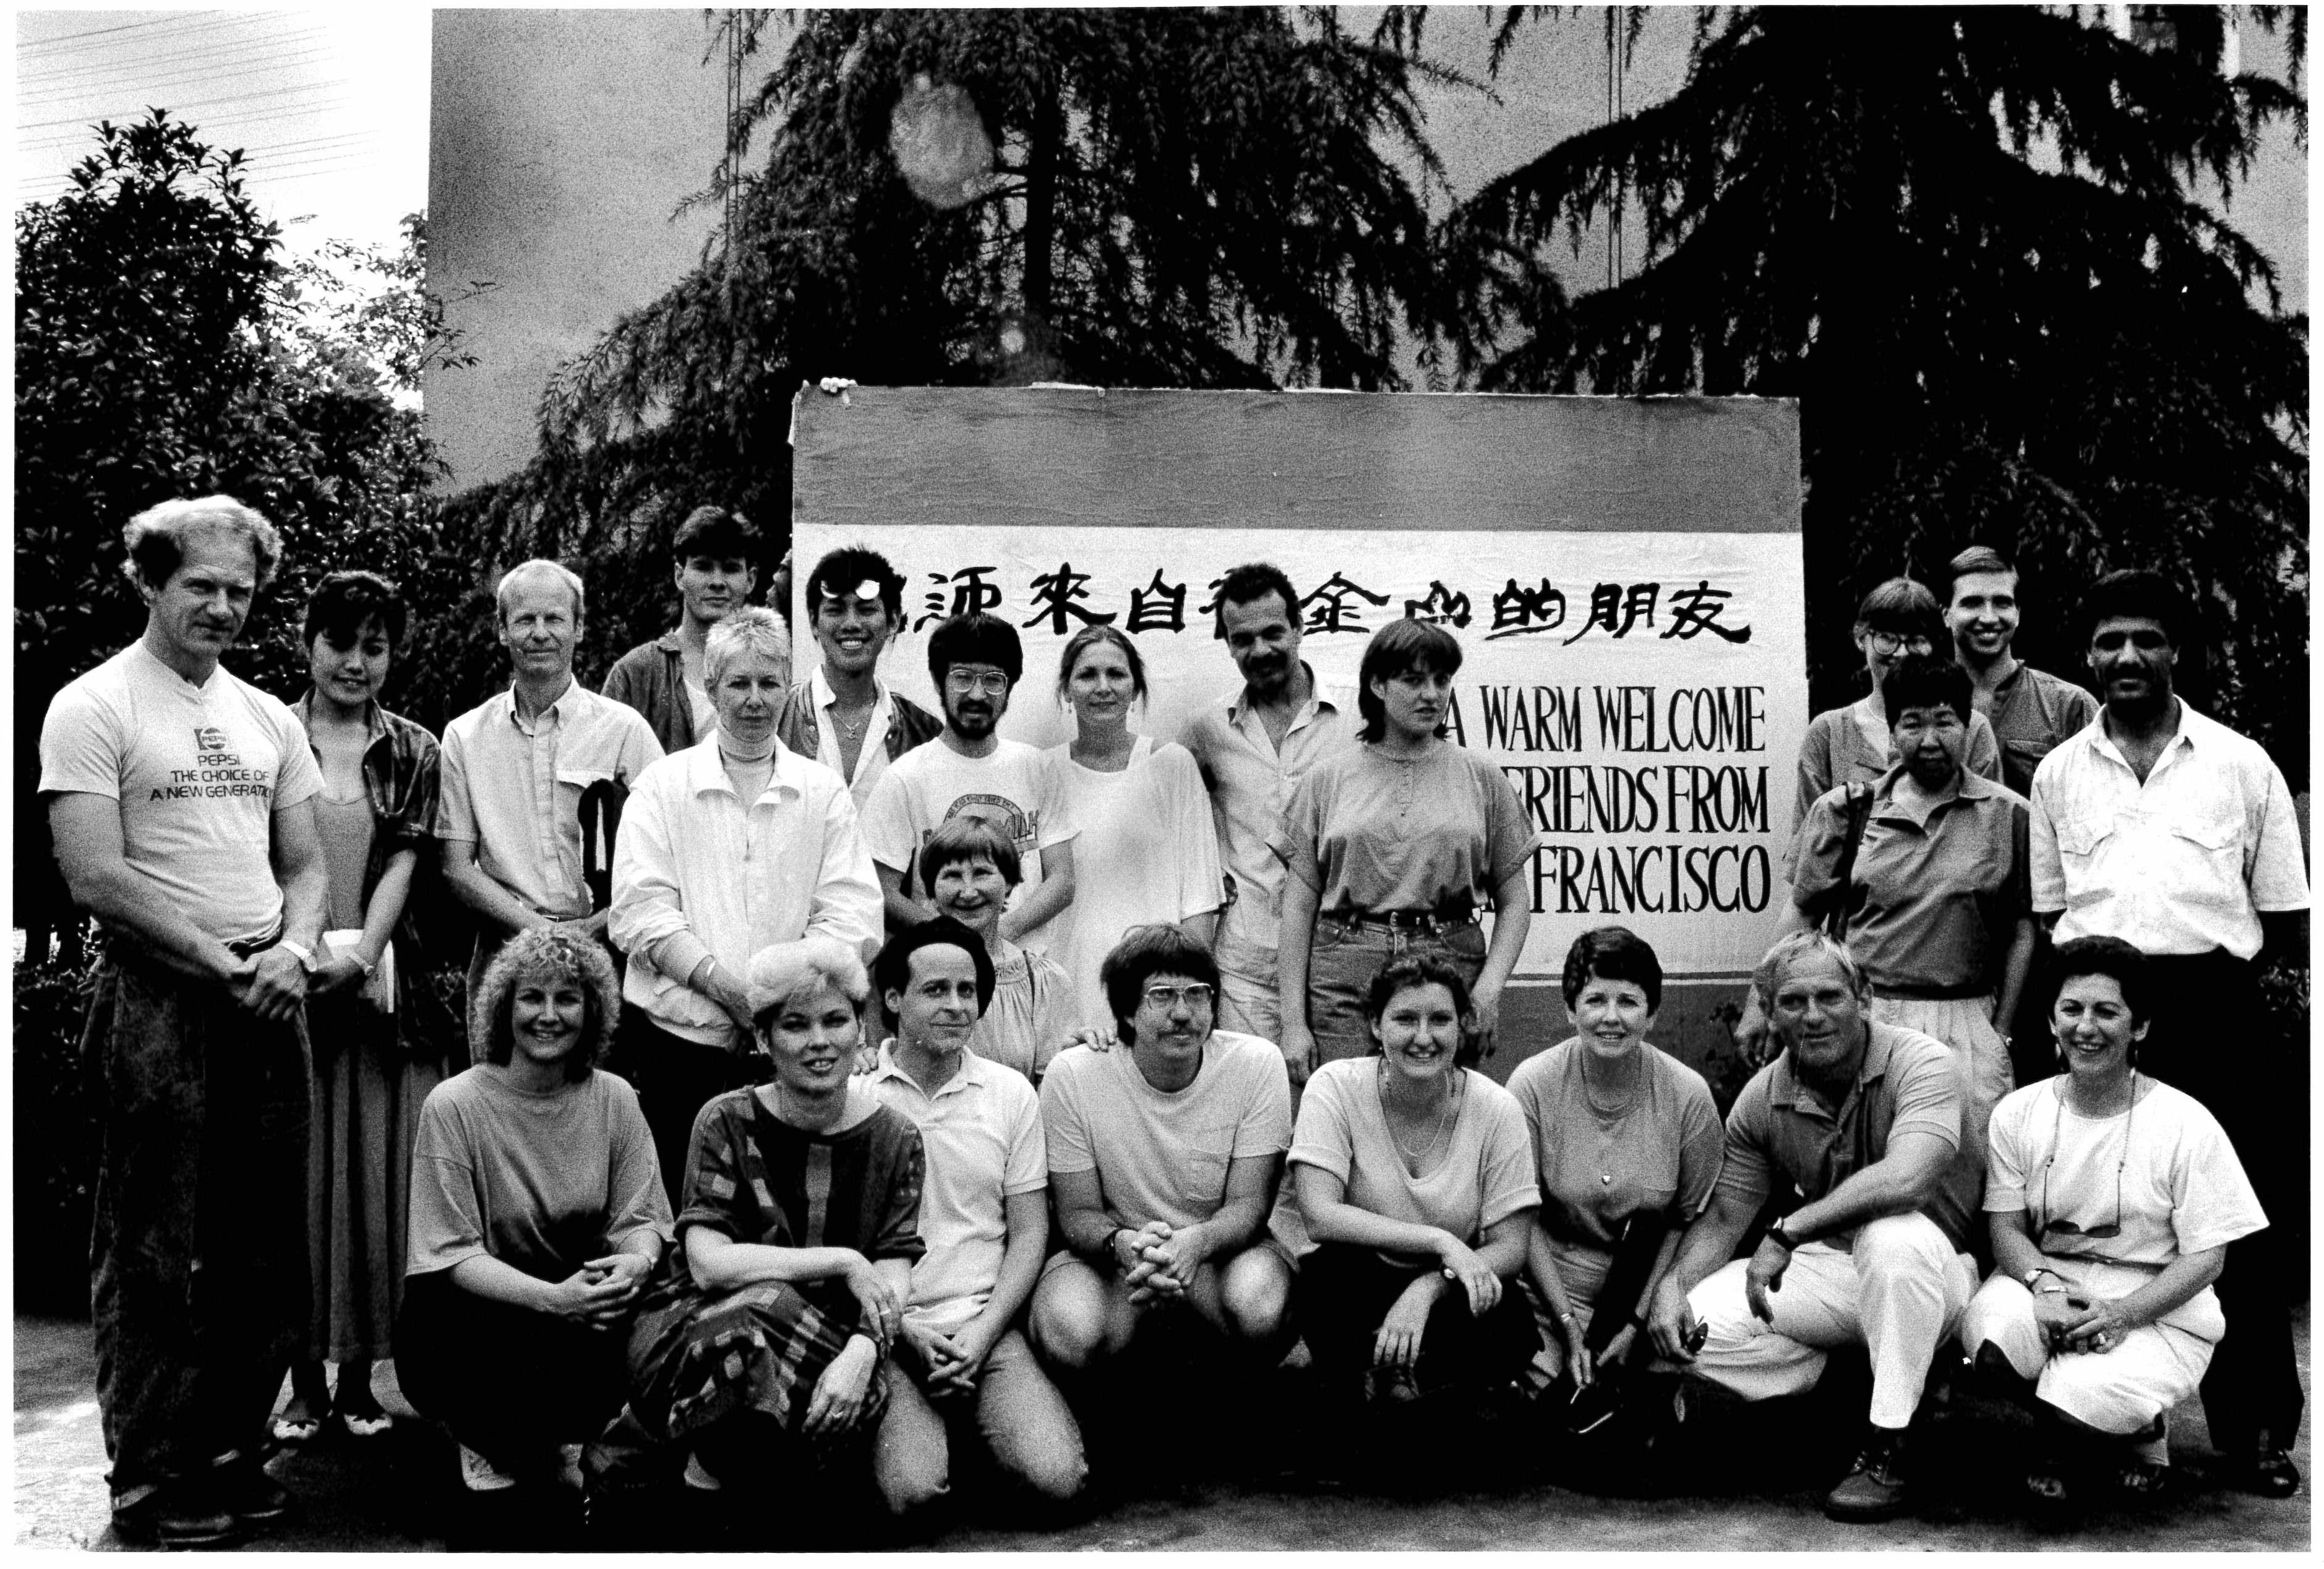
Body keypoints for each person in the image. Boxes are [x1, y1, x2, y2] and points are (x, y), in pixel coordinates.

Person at [40, 496, 328, 1545]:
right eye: (200, 585)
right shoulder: (95, 705)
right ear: (150, 582)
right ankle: (149, 1479)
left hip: (267, 993)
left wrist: (292, 952)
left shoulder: (267, 716)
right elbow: (96, 875)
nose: (221, 605)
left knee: (263, 1247)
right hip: (162, 997)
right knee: (153, 1246)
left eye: (241, 591)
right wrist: (220, 964)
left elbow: (304, 864)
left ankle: (228, 1452)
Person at [2027, 567, 2309, 1495]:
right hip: (2092, 1011)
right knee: (2097, 1224)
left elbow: (2286, 921)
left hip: (2212, 1013)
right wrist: (2091, 1015)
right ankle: (2115, 1421)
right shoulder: (2061, 775)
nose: (2126, 658)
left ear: (2176, 652)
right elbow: (2046, 916)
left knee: (2242, 1227)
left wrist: (2205, 1009)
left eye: (2146, 639)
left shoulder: (2240, 763)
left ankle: (2257, 1430)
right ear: (2089, 657)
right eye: (2109, 642)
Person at [1645, 932, 1983, 1524]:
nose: (1813, 1015)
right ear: (1771, 1015)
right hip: (1837, 1272)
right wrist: (1670, 1287)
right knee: (1693, 1325)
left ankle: (1886, 1449)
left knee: (1891, 1238)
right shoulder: (1762, 1097)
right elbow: (1726, 1217)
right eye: (1792, 1002)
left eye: (1829, 996)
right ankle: (1853, 1390)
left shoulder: (1923, 1062)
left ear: (1865, 997)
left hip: (1942, 1274)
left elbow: (1908, 1179)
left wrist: (1786, 1233)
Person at [1961, 937, 2268, 1507]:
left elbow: (2208, 1258)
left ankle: (2134, 1432)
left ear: (2140, 1027)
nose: (2086, 1027)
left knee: (2077, 1406)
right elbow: (2004, 1228)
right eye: (2071, 1010)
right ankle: (2065, 1423)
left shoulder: (2185, 1122)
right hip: (2048, 1280)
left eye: (2107, 1011)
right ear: (2051, 1022)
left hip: (2155, 1301)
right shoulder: (2017, 1112)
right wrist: (2045, 1287)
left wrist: (2124, 1314)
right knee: (1990, 1351)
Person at [622, 937, 925, 1505]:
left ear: (860, 1029)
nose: (819, 1042)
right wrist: (842, 1260)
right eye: (795, 1025)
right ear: (763, 1039)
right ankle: (702, 1488)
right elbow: (708, 1265)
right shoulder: (725, 1119)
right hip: (698, 1330)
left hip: (829, 1339)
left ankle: (688, 1462)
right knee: (756, 1318)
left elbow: (896, 1267)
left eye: (836, 1021)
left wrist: (863, 1353)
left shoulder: (897, 1137)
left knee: (864, 1429)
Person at [608, 606, 883, 1203]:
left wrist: (776, 999)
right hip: (678, 1050)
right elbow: (640, 910)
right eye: (738, 683)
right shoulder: (662, 784)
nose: (755, 700)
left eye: (769, 683)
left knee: (784, 1215)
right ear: (711, 687)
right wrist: (729, 992)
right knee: (686, 1213)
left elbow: (851, 913)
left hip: (790, 1048)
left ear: (789, 685)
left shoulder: (821, 790)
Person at [277, 572, 463, 1445]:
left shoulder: (416, 748)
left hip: (390, 1004)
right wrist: (301, 956)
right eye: (340, 643)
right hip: (286, 992)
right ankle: (300, 1384)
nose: (356, 663)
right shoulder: (265, 735)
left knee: (375, 1190)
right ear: (307, 643)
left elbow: (405, 863)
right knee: (299, 1189)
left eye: (375, 646)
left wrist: (360, 958)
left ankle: (357, 1381)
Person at [398, 928, 671, 1495]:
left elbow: (641, 1220)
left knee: (654, 1297)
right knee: (442, 1318)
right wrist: (554, 1301)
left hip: (581, 1294)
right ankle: (488, 1436)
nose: (549, 1015)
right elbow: (450, 1254)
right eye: (532, 997)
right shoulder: (454, 1104)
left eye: (567, 998)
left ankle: (561, 1430)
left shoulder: (615, 1098)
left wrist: (637, 1264)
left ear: (592, 1010)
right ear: (504, 1007)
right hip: (487, 1311)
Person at [1748, 655, 2034, 1190]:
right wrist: (1757, 1007)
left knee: (1969, 1176)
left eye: (1945, 720)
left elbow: (2023, 929)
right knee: (1858, 1170)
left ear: (1970, 725)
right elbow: (1804, 911)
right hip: (1864, 1015)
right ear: (1891, 731)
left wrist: (2001, 1031)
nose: (1930, 738)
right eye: (1913, 722)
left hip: (1965, 1019)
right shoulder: (1847, 810)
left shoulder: (2008, 814)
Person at [864, 920, 1088, 1518]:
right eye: (935, 990)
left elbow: (1029, 1233)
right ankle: (932, 1441)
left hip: (984, 1325)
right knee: (912, 1496)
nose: (956, 1005)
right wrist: (902, 1332)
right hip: (889, 1331)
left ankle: (979, 1430)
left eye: (968, 991)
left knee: (1058, 1482)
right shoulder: (858, 1097)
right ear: (893, 1000)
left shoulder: (1009, 1094)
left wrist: (983, 1333)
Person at [1029, 926, 1295, 1391]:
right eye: (1161, 996)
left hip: (1221, 1252)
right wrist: (1125, 1244)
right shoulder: (1073, 1074)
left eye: (1197, 995)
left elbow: (1250, 1205)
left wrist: (1193, 1245)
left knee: (1259, 1307)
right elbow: (1077, 1213)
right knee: (1070, 1331)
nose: (1182, 1013)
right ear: (1127, 1012)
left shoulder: (1255, 1063)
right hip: (1113, 1258)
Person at [1273, 617, 1533, 1086]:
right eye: (1413, 680)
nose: (1431, 694)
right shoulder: (1326, 780)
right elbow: (1297, 905)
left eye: (1441, 680)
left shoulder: (1481, 777)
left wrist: (1489, 990)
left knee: (1439, 1109)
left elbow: (1515, 902)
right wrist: (1293, 1022)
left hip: (1448, 962)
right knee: (1346, 1107)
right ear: (1377, 684)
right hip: (1345, 964)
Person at [1278, 954, 1541, 1412]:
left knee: (1510, 1326)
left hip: (1448, 1282)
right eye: (1404, 1019)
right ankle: (1391, 1387)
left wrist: (1430, 1288)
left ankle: (1400, 1382)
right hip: (1358, 1275)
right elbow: (1319, 1216)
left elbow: (1511, 1247)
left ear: (1461, 1027)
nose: (1424, 1037)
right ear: (1376, 1026)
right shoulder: (1335, 1086)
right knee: (1323, 1291)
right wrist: (1440, 1240)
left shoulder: (1497, 1108)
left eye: (1440, 1020)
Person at [1505, 929, 1722, 1416]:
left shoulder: (1688, 1095)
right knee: (1553, 1404)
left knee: (1639, 1401)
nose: (1610, 1017)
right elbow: (1521, 1221)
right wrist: (1566, 1322)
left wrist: (1634, 1322)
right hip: (1550, 1283)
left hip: (1646, 1280)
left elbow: (1686, 1223)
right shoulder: (1533, 1084)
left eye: (1628, 1001)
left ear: (1652, 1013)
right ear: (1569, 1009)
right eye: (1594, 999)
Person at [436, 559, 663, 1000]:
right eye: (525, 620)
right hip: (504, 952)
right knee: (499, 1072)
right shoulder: (464, 737)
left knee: (603, 1074)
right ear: (502, 630)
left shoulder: (624, 731)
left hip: (610, 950)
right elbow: (457, 868)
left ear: (578, 628)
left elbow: (665, 854)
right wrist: (542, 932)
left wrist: (593, 928)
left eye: (554, 618)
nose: (540, 633)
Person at [1180, 563, 1357, 1042]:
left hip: (1341, 959)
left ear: (1300, 628)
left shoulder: (1362, 712)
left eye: (1273, 632)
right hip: (1245, 967)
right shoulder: (1207, 730)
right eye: (1242, 639)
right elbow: (1174, 823)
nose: (1259, 650)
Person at [860, 611, 1077, 947]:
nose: (977, 694)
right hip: (944, 975)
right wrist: (955, 940)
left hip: (1027, 970)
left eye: (993, 680)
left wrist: (1000, 935)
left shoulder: (1037, 768)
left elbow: (1062, 881)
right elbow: (879, 890)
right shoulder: (905, 777)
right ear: (938, 682)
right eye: (962, 677)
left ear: (1010, 687)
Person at [1044, 625, 1223, 1028]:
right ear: (1067, 690)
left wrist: (1180, 997)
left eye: (1116, 674)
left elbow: (1200, 903)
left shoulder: (1172, 764)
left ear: (1135, 688)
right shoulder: (1043, 771)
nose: (1102, 687)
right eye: (1087, 675)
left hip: (1154, 997)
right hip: (1066, 993)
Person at [1789, 577, 2002, 867]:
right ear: (1860, 636)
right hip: (1853, 905)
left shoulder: (1971, 727)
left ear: (1933, 645)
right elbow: (1806, 857)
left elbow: (1991, 835)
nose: (1901, 653)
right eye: (1887, 638)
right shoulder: (1828, 732)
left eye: (1915, 640)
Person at [773, 546, 945, 811]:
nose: (851, 623)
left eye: (866, 610)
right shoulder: (775, 716)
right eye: (836, 609)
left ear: (893, 621)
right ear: (813, 623)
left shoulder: (924, 731)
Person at [917, 817, 1084, 1083]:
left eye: (982, 873)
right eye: (952, 875)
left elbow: (1057, 1088)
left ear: (1008, 882)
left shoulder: (1041, 982)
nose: (969, 891)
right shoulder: (902, 975)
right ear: (932, 891)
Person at [601, 505, 767, 755]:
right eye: (703, 567)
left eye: (731, 568)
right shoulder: (635, 673)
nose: (717, 582)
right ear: (680, 576)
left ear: (751, 580)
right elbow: (601, 767)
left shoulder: (771, 670)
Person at [1944, 545, 2097, 797]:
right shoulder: (1919, 703)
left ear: (2018, 614)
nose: (1989, 617)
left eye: (2002, 603)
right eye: (1972, 603)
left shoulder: (2069, 706)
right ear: (1946, 614)